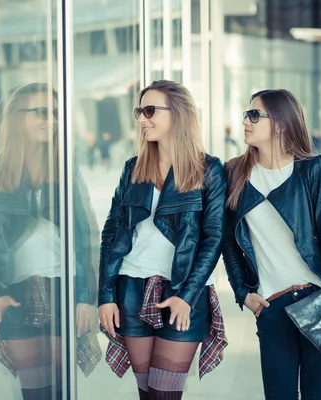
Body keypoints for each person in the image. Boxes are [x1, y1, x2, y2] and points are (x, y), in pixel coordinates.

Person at [222, 89, 321, 400]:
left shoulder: (311, 169)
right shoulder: (234, 172)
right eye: (247, 114)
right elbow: (228, 241)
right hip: (272, 306)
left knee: (317, 394)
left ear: (281, 125)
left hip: (319, 301)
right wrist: (242, 291)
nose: (246, 121)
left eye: (254, 115)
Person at [98, 80, 228, 400]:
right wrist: (105, 295)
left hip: (182, 292)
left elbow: (214, 239)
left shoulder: (208, 169)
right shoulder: (134, 168)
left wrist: (187, 295)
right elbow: (111, 233)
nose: (142, 118)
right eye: (139, 111)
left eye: (150, 110)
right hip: (130, 288)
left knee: (164, 396)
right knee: (147, 396)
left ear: (179, 114)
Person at [0, 83, 100, 400]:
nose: (51, 120)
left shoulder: (64, 166)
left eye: (56, 113)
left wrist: (88, 297)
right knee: (34, 392)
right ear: (17, 118)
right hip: (16, 293)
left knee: (61, 391)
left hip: (64, 286)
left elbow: (86, 232)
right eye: (42, 112)